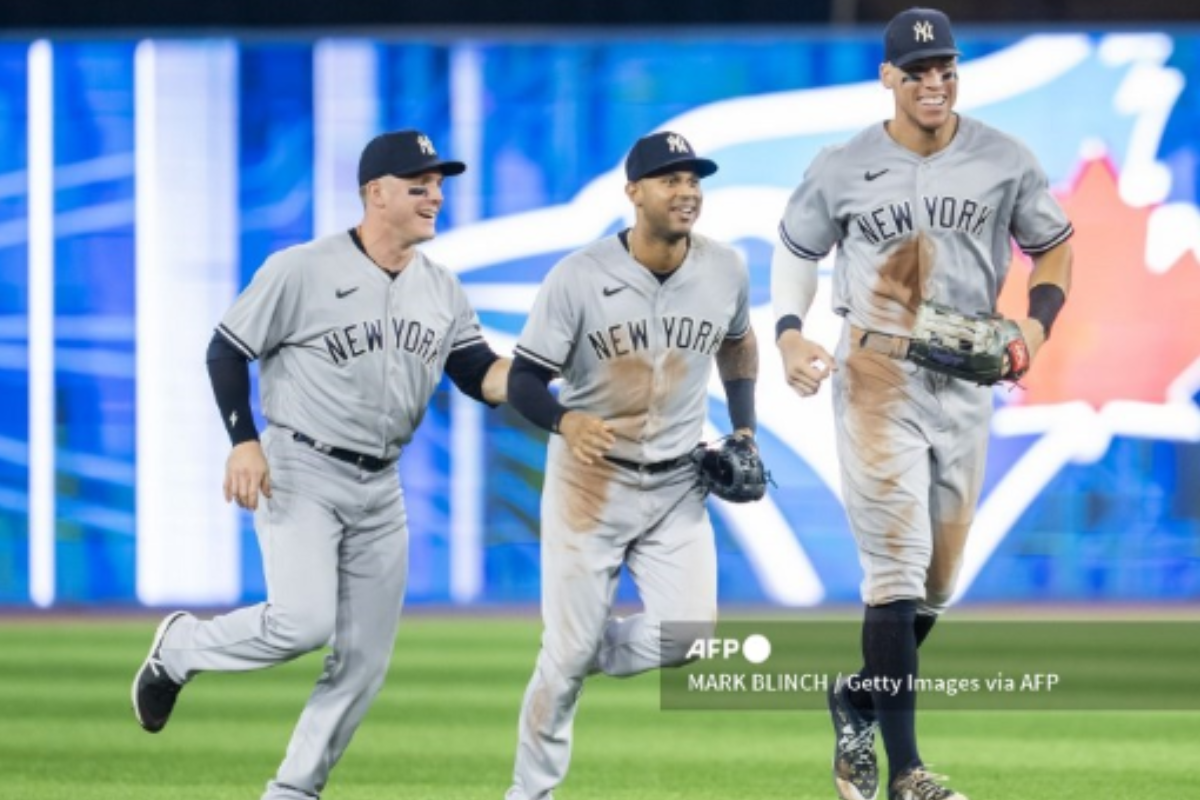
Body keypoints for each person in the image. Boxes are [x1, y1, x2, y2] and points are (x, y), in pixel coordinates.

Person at [131, 129, 511, 800]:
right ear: (375, 193)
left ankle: (293, 790)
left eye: (439, 184)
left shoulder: (441, 288)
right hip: (301, 466)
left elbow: (479, 374)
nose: (435, 196)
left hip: (381, 484)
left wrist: (554, 393)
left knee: (364, 660)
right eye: (419, 184)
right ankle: (181, 648)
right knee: (302, 624)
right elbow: (227, 349)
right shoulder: (300, 268)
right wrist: (242, 439)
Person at [772, 9, 1072, 800]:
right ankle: (908, 771)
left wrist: (1036, 330)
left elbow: (1053, 244)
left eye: (945, 68)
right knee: (896, 575)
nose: (934, 82)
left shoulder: (1004, 158)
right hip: (877, 373)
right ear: (888, 79)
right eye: (918, 70)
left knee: (938, 587)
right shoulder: (844, 165)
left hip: (968, 377)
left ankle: (858, 698)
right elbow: (798, 250)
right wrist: (789, 333)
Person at [504, 131, 760, 800]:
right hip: (590, 482)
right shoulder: (578, 277)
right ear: (634, 193)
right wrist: (564, 419)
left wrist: (744, 429)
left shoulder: (725, 268)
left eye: (694, 179)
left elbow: (738, 345)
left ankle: (579, 645)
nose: (687, 191)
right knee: (562, 666)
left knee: (688, 637)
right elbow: (525, 379)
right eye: (671, 179)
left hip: (678, 482)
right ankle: (529, 793)